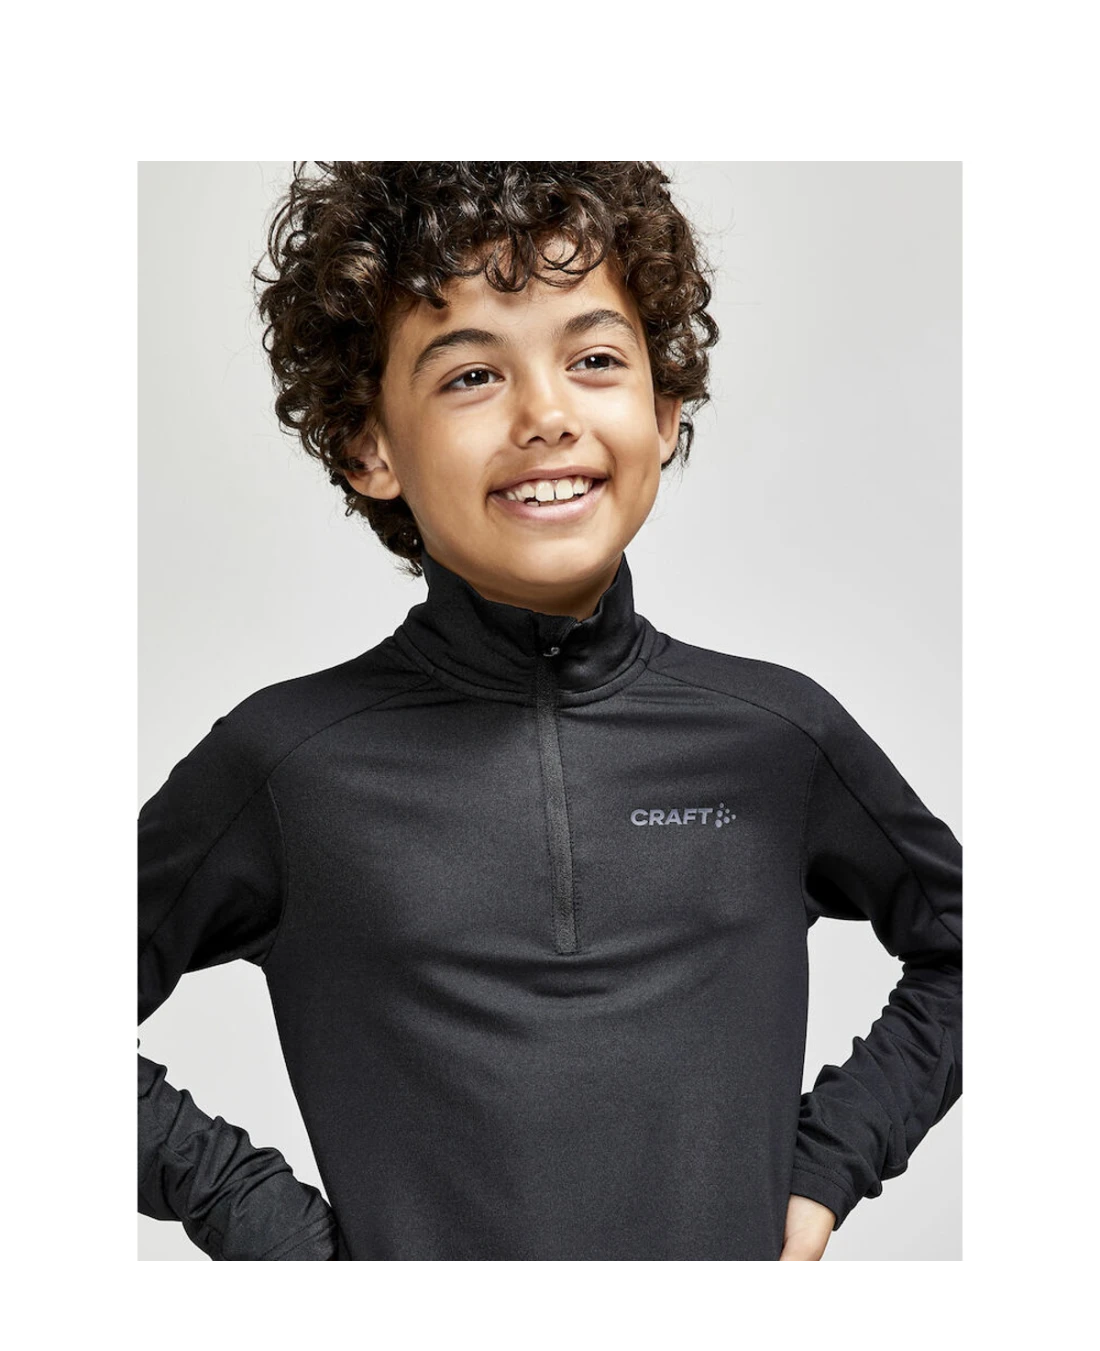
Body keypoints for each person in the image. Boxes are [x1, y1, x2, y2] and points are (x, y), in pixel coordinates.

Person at [138, 160, 962, 1264]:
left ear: (662, 412)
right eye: (472, 375)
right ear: (369, 445)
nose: (547, 416)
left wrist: (824, 1171)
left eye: (594, 360)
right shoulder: (286, 765)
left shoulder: (778, 736)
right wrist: (268, 1233)